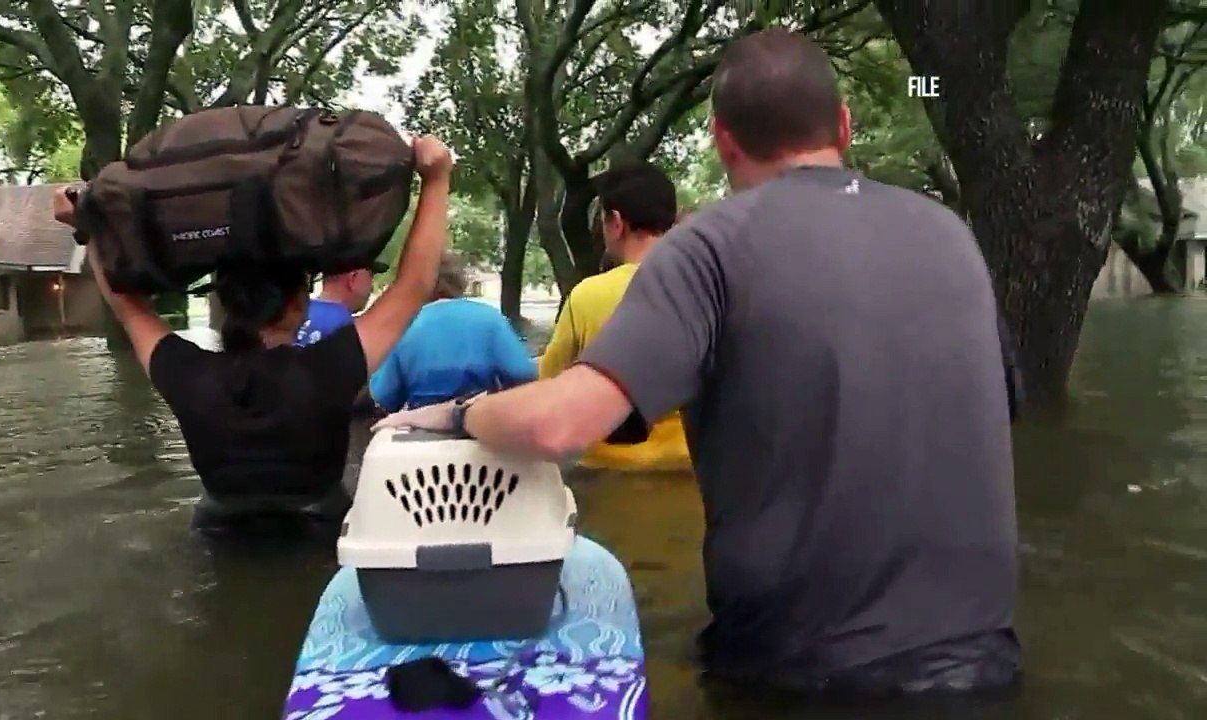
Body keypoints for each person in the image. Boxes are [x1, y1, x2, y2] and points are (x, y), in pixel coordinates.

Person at [373, 29, 1023, 700]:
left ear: (722, 139)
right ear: (845, 126)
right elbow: (995, 411)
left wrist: (457, 414)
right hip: (988, 668)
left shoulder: (709, 246)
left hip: (797, 676)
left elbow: (556, 427)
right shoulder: (953, 238)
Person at [55, 135, 454, 536]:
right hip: (317, 539)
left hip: (218, 542)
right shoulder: (332, 366)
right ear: (299, 300)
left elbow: (126, 305)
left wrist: (85, 228)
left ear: (225, 303)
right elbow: (415, 284)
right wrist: (436, 179)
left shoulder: (186, 374)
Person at [538, 162, 690, 471]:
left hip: (608, 476)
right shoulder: (708, 288)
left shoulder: (588, 296)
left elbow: (548, 387)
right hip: (691, 474)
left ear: (617, 222)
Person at [369, 252, 536, 411]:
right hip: (478, 421)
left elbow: (384, 395)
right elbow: (522, 373)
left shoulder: (404, 325)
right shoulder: (490, 318)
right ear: (459, 281)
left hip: (422, 423)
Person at [294, 262, 387, 347]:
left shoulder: (294, 312)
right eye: (371, 276)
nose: (372, 287)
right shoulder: (349, 329)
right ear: (353, 278)